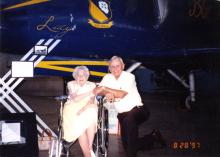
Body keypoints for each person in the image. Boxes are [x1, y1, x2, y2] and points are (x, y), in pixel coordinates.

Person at [94, 56, 147, 157]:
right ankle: (152, 138)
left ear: (123, 66)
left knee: (129, 132)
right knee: (127, 142)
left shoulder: (129, 76)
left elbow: (121, 94)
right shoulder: (107, 77)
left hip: (138, 110)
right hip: (122, 114)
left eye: (117, 66)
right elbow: (97, 91)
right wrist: (106, 94)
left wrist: (105, 90)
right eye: (112, 67)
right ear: (109, 68)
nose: (115, 69)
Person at [62, 66, 97, 157]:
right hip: (72, 108)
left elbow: (92, 100)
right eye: (78, 75)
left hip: (87, 106)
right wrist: (90, 92)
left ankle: (89, 148)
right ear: (75, 76)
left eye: (83, 75)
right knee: (80, 125)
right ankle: (88, 154)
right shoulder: (71, 84)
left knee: (91, 111)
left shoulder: (92, 85)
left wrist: (83, 109)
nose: (81, 77)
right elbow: (76, 99)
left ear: (87, 76)